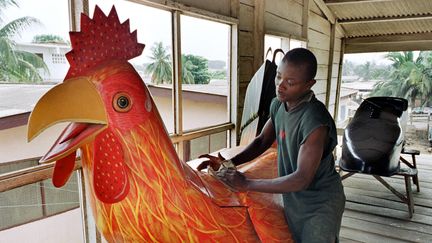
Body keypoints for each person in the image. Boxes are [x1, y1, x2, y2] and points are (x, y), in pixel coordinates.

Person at [198, 48, 346, 243]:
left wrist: (246, 183)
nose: (280, 86)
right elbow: (261, 141)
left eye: (290, 82)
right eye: (278, 77)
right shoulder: (278, 105)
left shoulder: (315, 121)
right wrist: (227, 163)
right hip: (294, 199)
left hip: (319, 203)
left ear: (309, 85)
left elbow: (302, 178)